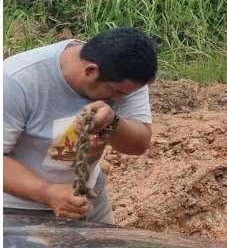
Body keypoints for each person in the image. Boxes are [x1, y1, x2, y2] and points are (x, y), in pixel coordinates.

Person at [4, 28, 158, 223]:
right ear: (91, 71)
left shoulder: (127, 78)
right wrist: (48, 192)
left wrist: (113, 123)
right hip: (17, 208)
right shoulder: (17, 81)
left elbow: (139, 144)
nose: (119, 99)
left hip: (88, 199)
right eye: (116, 92)